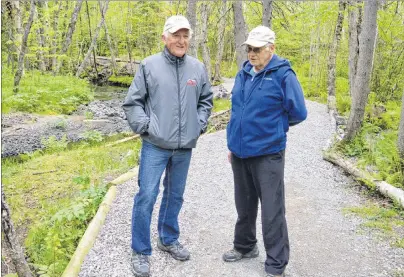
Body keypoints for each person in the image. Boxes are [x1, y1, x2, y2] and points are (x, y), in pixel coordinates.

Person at [123, 15, 213, 277]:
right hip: (155, 145)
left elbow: (206, 100)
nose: (181, 40)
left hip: (185, 148)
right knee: (147, 195)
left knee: (175, 195)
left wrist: (199, 123)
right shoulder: (149, 65)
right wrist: (146, 126)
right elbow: (133, 102)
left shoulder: (197, 68)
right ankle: (140, 250)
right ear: (165, 38)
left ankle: (168, 238)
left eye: (185, 36)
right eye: (176, 35)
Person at [223, 26, 307, 277]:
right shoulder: (243, 73)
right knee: (244, 204)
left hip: (268, 153)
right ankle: (245, 246)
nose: (252, 53)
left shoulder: (283, 74)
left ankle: (276, 263)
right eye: (249, 48)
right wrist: (232, 145)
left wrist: (275, 129)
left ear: (271, 48)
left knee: (272, 210)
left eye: (257, 49)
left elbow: (299, 113)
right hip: (240, 153)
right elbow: (237, 110)